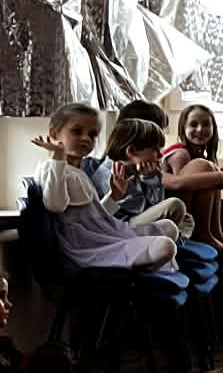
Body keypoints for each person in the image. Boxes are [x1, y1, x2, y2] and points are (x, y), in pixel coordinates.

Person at [30, 104, 182, 276]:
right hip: (87, 246)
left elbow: (94, 218)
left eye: (92, 135)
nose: (86, 138)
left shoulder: (78, 171)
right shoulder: (50, 168)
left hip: (102, 233)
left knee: (169, 228)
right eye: (77, 131)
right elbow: (55, 205)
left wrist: (113, 196)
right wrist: (58, 157)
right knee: (165, 246)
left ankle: (138, 263)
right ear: (54, 133)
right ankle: (137, 273)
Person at [163, 104, 223, 253]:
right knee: (204, 169)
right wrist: (219, 177)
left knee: (210, 171)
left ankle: (217, 234)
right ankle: (204, 235)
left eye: (206, 124)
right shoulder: (181, 153)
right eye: (193, 124)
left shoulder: (200, 156)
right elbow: (184, 189)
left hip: (186, 211)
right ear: (183, 129)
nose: (200, 129)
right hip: (173, 216)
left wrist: (216, 176)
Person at [103, 117, 195, 239]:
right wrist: (150, 180)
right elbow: (140, 209)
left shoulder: (137, 170)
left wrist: (152, 179)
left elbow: (156, 206)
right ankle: (173, 238)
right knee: (175, 205)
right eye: (155, 149)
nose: (160, 155)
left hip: (138, 221)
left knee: (187, 218)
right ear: (131, 151)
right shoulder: (111, 174)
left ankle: (175, 237)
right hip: (121, 226)